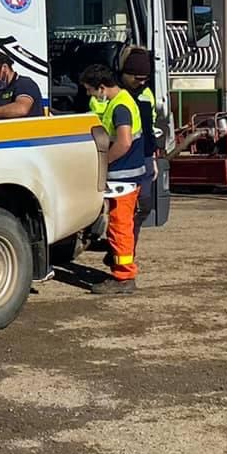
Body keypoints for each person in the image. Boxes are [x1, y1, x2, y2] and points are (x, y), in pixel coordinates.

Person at [81, 64, 146, 290]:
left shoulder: (120, 107)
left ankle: (124, 277)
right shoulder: (122, 101)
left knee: (120, 227)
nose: (90, 95)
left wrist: (104, 161)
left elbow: (124, 142)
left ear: (101, 87)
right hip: (127, 175)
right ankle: (122, 272)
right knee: (120, 226)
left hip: (123, 177)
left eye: (90, 90)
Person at [118, 46, 162, 222]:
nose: (142, 82)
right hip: (121, 158)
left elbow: (149, 127)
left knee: (143, 207)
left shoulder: (146, 94)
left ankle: (128, 248)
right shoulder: (116, 95)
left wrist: (152, 157)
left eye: (146, 79)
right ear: (126, 74)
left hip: (144, 158)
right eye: (138, 78)